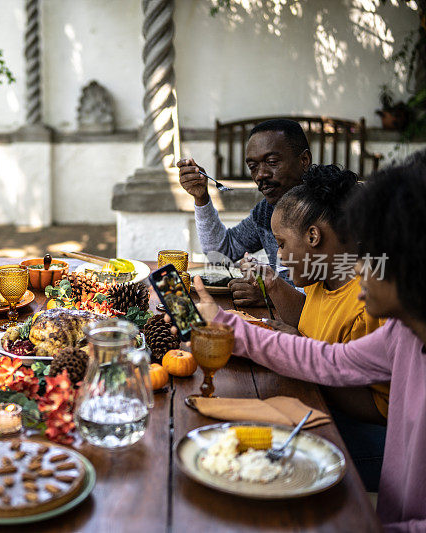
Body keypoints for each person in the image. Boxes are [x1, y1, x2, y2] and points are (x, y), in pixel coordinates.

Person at [187, 153, 426, 530]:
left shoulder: (375, 311)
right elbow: (330, 360)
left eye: (373, 255)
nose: (360, 267)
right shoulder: (405, 334)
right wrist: (227, 323)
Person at [259, 164, 388, 490]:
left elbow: (380, 409)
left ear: (313, 236)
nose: (280, 254)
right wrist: (276, 297)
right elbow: (312, 325)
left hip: (372, 438)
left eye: (282, 243)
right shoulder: (323, 276)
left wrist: (301, 354)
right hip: (321, 406)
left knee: (266, 453)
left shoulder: (371, 302)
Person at [177, 119, 312, 306]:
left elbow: (334, 296)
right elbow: (222, 251)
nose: (260, 175)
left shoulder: (330, 212)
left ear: (304, 160)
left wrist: (270, 293)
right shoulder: (266, 211)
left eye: (272, 162)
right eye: (253, 167)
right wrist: (202, 198)